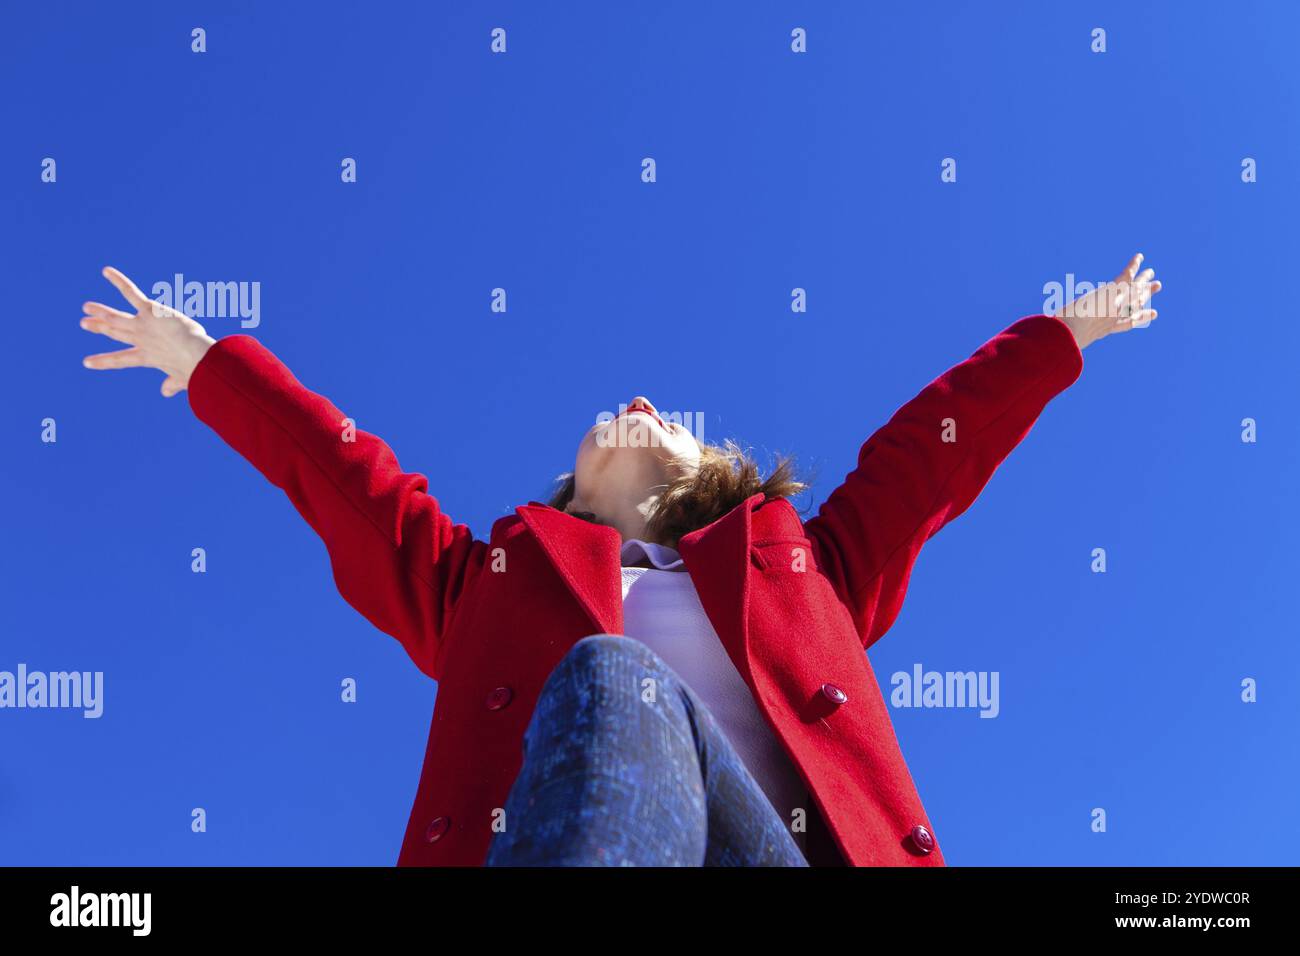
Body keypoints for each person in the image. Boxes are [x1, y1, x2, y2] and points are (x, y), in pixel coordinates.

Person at [79, 255, 1161, 866]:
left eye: (666, 413)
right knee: (608, 677)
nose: (637, 403)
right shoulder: (481, 586)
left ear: (724, 473)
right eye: (610, 414)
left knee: (613, 672)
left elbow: (928, 455)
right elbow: (344, 478)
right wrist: (212, 360)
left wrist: (1054, 338)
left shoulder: (807, 565)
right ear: (567, 489)